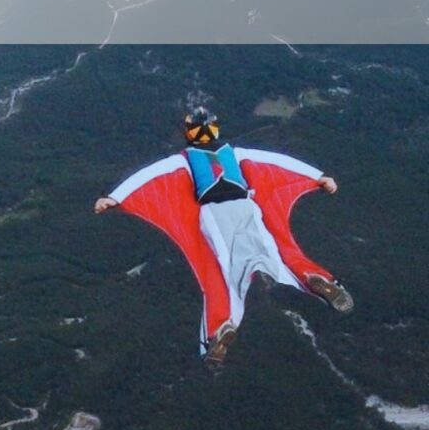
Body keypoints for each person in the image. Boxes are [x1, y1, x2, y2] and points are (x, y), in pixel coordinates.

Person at [93, 106, 353, 367]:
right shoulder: (236, 154)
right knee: (277, 255)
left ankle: (220, 328)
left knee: (223, 275)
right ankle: (314, 278)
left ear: (188, 132)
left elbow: (148, 176)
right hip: (248, 208)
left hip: (215, 216)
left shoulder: (183, 160)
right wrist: (319, 176)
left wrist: (114, 198)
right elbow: (278, 161)